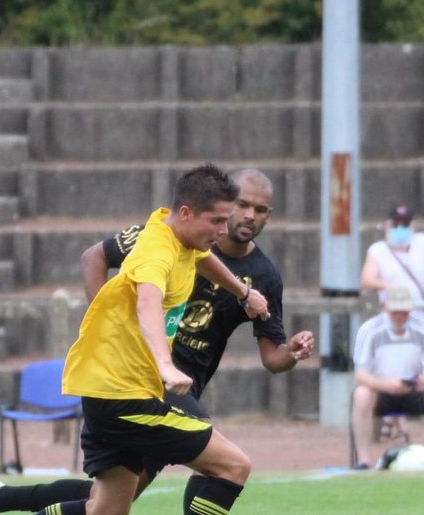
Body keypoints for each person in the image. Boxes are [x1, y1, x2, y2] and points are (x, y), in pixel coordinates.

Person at [0, 163, 269, 515]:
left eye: (226, 220)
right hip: (125, 396)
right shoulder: (154, 253)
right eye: (216, 221)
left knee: (106, 512)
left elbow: (201, 258)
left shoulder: (180, 235)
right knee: (233, 466)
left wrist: (242, 292)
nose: (223, 230)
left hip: (112, 389)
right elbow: (147, 303)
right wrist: (165, 364)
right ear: (186, 213)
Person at [79, 167, 314, 416]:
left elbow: (272, 358)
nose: (249, 215)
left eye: (260, 210)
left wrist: (291, 351)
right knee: (211, 441)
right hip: (143, 371)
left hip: (185, 383)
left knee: (119, 441)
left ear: (269, 216)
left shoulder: (264, 276)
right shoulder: (163, 239)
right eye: (242, 205)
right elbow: (94, 258)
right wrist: (107, 327)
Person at [349, 284, 424, 470]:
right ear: (385, 308)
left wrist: (423, 382)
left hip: (414, 390)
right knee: (362, 394)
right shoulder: (369, 330)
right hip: (380, 391)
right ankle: (363, 460)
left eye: (404, 311)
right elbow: (361, 375)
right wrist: (386, 385)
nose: (399, 316)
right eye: (395, 312)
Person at [360, 203, 424, 319]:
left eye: (405, 224)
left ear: (412, 225)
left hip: (421, 316)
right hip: (392, 317)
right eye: (395, 224)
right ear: (387, 225)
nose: (400, 228)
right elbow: (367, 280)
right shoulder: (378, 250)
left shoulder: (423, 242)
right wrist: (391, 287)